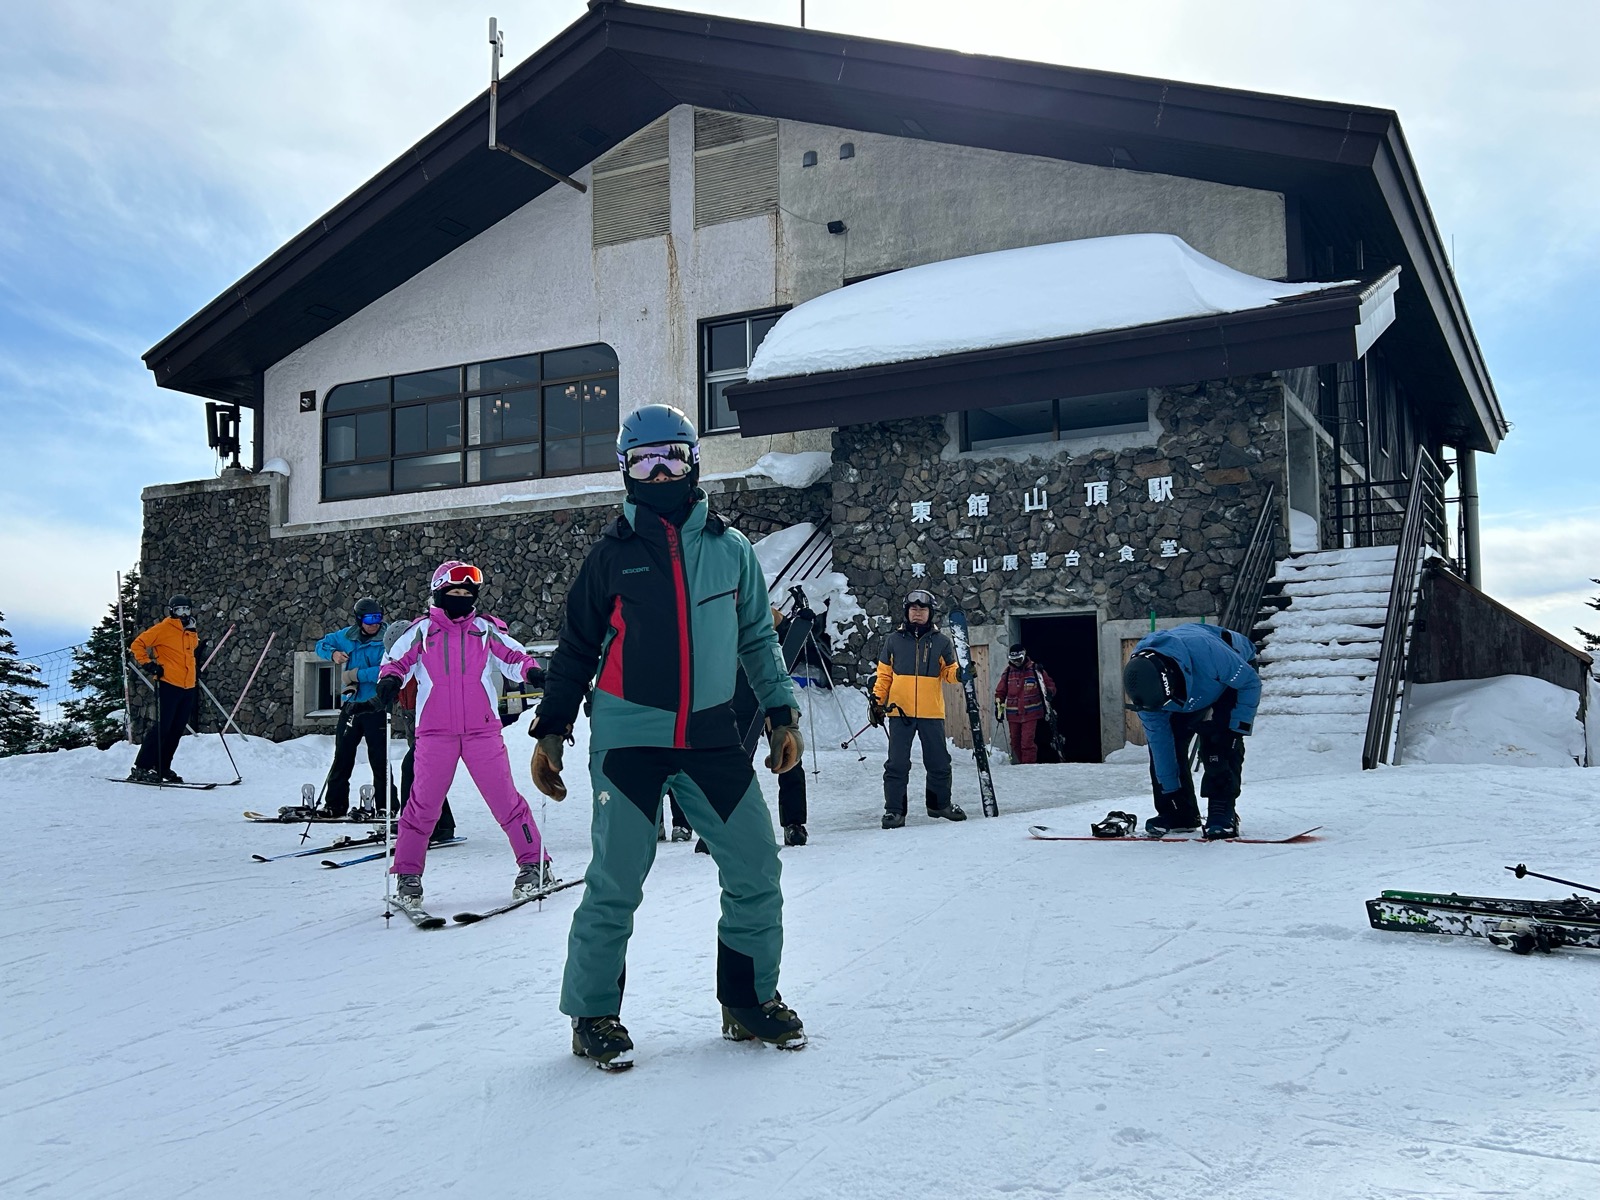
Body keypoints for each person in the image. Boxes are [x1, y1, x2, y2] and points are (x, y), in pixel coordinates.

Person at [528, 403, 806, 1071]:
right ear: (625, 471)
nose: (660, 473)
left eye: (672, 459)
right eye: (645, 462)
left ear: (693, 465)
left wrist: (781, 712)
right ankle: (592, 1014)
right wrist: (552, 731)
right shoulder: (608, 559)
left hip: (712, 736)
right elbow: (574, 651)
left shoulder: (731, 550)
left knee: (757, 869)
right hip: (629, 738)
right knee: (616, 883)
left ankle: (746, 1001)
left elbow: (758, 638)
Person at [371, 561, 548, 904]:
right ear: (438, 594)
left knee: (506, 801)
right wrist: (390, 680)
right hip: (435, 734)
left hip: (482, 731)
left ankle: (534, 864)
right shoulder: (421, 632)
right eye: (454, 593)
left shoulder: (485, 629)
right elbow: (396, 662)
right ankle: (408, 874)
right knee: (422, 806)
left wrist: (533, 672)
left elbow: (514, 655)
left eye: (468, 593)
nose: (461, 598)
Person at [1122, 623, 1261, 840]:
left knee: (1219, 741)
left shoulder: (1209, 653)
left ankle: (1222, 810)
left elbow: (1250, 683)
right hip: (1188, 689)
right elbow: (1162, 749)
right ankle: (1178, 812)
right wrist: (1170, 794)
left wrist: (1237, 729)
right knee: (1164, 749)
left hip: (1231, 679)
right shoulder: (1147, 696)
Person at [869, 588, 964, 828]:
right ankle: (894, 811)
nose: (918, 613)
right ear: (907, 612)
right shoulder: (893, 641)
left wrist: (961, 673)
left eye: (922, 609)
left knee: (939, 762)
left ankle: (939, 804)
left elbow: (948, 672)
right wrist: (877, 702)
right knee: (897, 764)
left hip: (931, 712)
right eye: (913, 609)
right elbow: (884, 676)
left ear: (930, 613)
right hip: (900, 712)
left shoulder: (941, 642)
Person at [382, 619, 456, 844]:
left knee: (411, 768)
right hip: (413, 724)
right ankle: (443, 824)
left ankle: (411, 822)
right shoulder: (400, 665)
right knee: (428, 776)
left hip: (434, 725)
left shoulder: (431, 664)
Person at [314, 597, 388, 818]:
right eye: (369, 619)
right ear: (359, 620)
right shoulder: (347, 637)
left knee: (379, 759)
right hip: (351, 705)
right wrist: (333, 654)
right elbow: (321, 645)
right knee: (342, 756)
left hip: (375, 705)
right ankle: (335, 805)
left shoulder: (387, 639)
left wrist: (355, 675)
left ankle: (386, 805)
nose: (374, 624)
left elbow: (386, 669)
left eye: (378, 618)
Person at [127, 594, 202, 783]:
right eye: (179, 610)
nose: (184, 614)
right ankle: (142, 766)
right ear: (172, 611)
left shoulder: (189, 631)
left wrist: (192, 632)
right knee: (163, 727)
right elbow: (137, 644)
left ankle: (162, 767)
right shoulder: (164, 629)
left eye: (186, 610)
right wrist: (148, 664)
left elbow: (191, 651)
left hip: (188, 685)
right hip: (169, 683)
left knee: (176, 729)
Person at [993, 643, 1057, 765]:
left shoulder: (1036, 670)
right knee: (1015, 742)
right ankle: (1022, 764)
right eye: (1013, 660)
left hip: (1031, 712)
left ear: (1024, 656)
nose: (1016, 662)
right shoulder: (1007, 673)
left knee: (1027, 742)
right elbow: (1000, 692)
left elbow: (1050, 685)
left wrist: (1049, 692)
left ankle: (1028, 766)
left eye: (1019, 659)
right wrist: (998, 708)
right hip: (1013, 714)